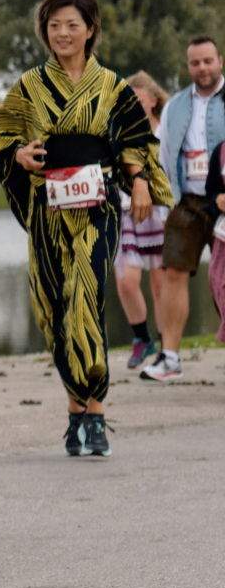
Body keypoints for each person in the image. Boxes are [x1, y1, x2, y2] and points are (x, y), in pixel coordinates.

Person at [0, 0, 171, 457]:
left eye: (72, 25)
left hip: (97, 207)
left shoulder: (112, 87)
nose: (63, 33)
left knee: (84, 297)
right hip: (47, 208)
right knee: (54, 307)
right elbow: (3, 137)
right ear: (44, 31)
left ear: (90, 29)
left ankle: (97, 412)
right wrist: (19, 154)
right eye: (54, 26)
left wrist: (140, 182)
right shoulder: (28, 87)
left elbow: (136, 140)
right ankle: (78, 414)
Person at [147, 38, 225, 381]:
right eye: (195, 63)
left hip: (224, 203)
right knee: (173, 273)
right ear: (188, 66)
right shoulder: (175, 106)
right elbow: (163, 155)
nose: (202, 68)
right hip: (187, 201)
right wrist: (167, 201)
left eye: (208, 61)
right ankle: (170, 357)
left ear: (220, 61)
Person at [113, 72, 170, 368]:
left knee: (161, 284)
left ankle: (165, 346)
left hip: (160, 213)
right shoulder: (118, 133)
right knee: (126, 280)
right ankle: (142, 338)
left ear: (153, 100)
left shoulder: (166, 132)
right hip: (127, 212)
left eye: (137, 99)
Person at [205, 139, 225, 342]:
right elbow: (211, 190)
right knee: (217, 281)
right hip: (223, 237)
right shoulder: (221, 150)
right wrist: (217, 199)